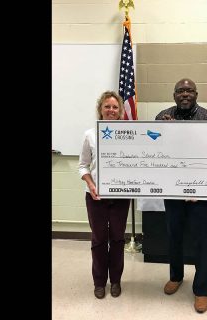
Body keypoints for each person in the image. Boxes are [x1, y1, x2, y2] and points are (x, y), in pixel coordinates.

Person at [155, 78, 207, 313]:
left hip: (200, 194)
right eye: (180, 90)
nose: (184, 94)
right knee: (174, 236)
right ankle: (176, 276)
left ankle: (201, 291)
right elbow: (154, 150)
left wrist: (200, 187)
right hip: (172, 192)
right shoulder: (162, 117)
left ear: (196, 94)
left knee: (201, 242)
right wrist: (165, 131)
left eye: (189, 90)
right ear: (174, 95)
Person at [78, 91, 130, 299]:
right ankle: (99, 282)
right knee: (99, 239)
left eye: (115, 107)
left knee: (117, 239)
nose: (111, 110)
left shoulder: (129, 135)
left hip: (121, 197)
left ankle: (115, 281)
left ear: (120, 112)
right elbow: (83, 166)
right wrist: (90, 184)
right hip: (96, 197)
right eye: (107, 107)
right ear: (100, 109)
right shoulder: (90, 135)